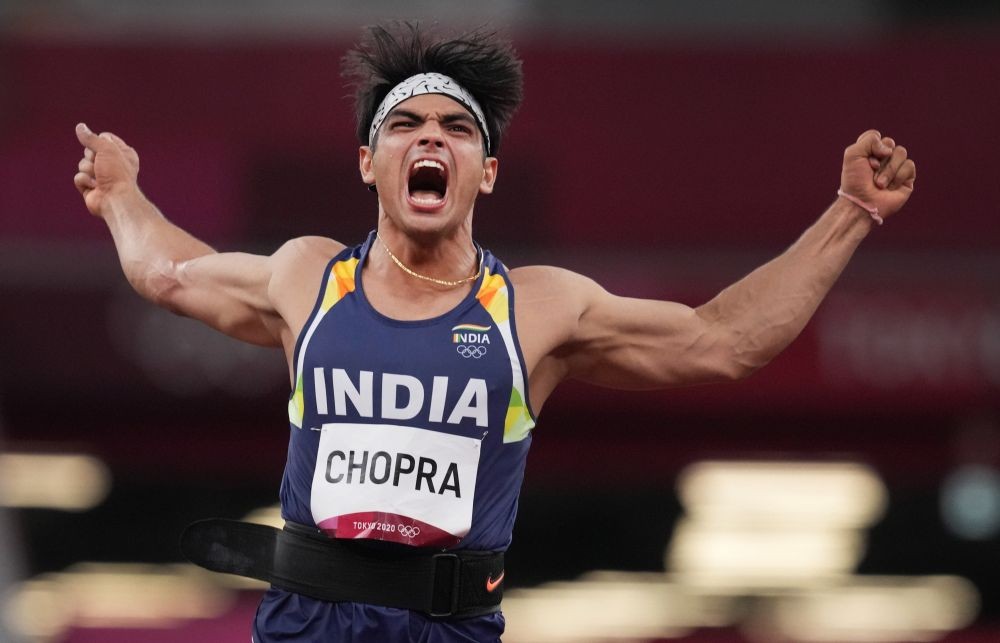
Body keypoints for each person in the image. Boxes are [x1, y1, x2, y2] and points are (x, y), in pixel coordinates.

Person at [72, 21, 915, 643]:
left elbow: (725, 339)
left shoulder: (540, 309)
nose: (430, 135)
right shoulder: (308, 278)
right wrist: (120, 197)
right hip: (307, 621)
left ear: (487, 171)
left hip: (450, 626)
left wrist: (850, 213)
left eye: (458, 128)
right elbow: (169, 275)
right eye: (404, 124)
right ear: (369, 160)